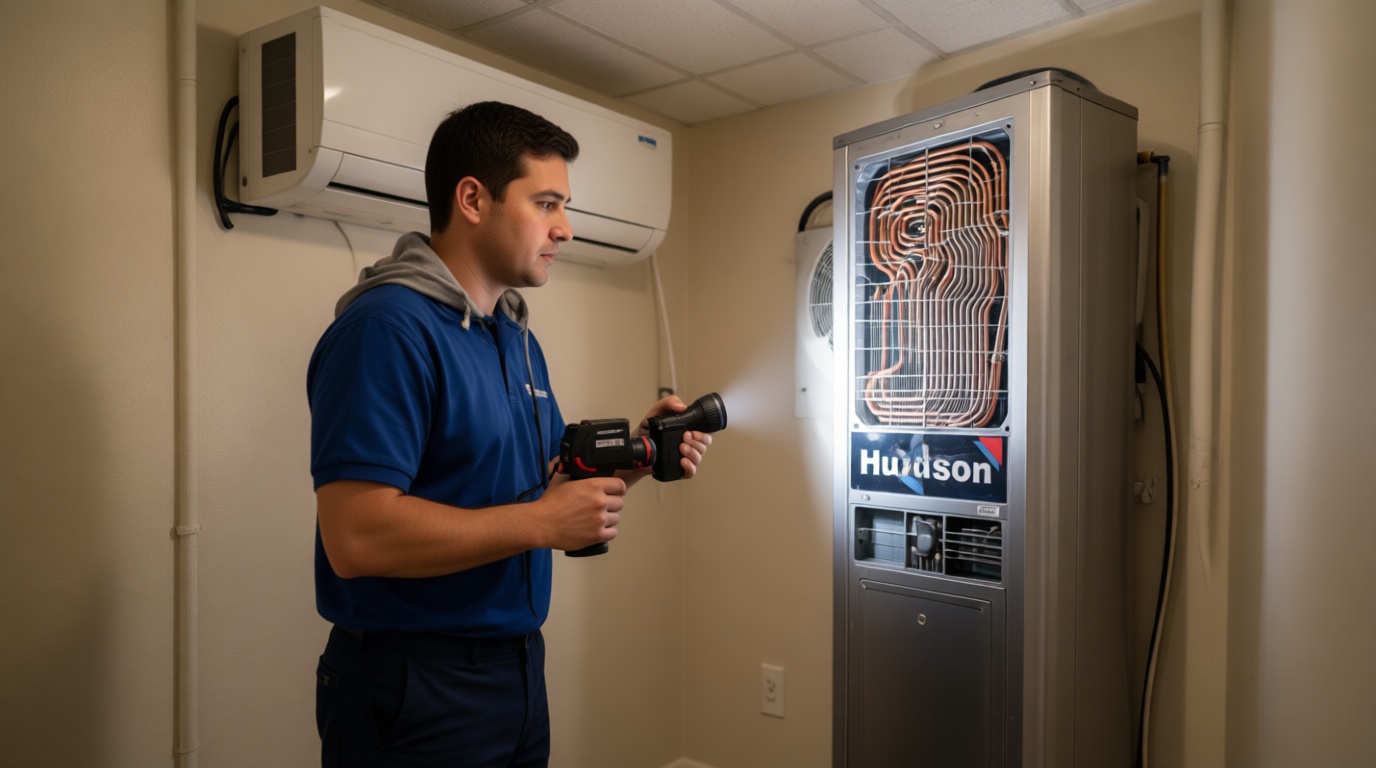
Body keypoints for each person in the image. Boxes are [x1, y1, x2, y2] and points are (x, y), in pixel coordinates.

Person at [306, 101, 711, 768]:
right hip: (416, 686)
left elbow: (550, 488)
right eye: (546, 203)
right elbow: (356, 535)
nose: (566, 229)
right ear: (472, 198)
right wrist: (542, 524)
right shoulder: (387, 332)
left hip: (516, 672)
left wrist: (642, 454)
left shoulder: (515, 338)